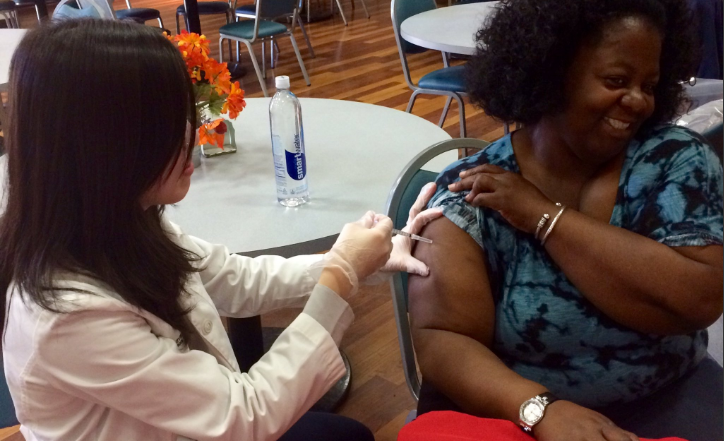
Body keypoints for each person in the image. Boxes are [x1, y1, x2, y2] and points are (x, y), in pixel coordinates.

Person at [0, 19, 441, 441]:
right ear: (105, 148)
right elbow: (245, 416)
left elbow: (234, 278)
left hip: (197, 422)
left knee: (349, 435)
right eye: (167, 124)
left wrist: (364, 261)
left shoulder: (123, 223)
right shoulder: (65, 314)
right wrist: (340, 274)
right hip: (218, 423)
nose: (193, 136)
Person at [407, 1, 723, 440]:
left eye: (649, 85)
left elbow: (699, 301)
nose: (638, 101)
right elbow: (442, 337)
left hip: (668, 390)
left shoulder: (676, 160)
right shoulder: (473, 190)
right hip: (511, 405)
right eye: (616, 80)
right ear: (551, 72)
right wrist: (540, 410)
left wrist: (542, 216)